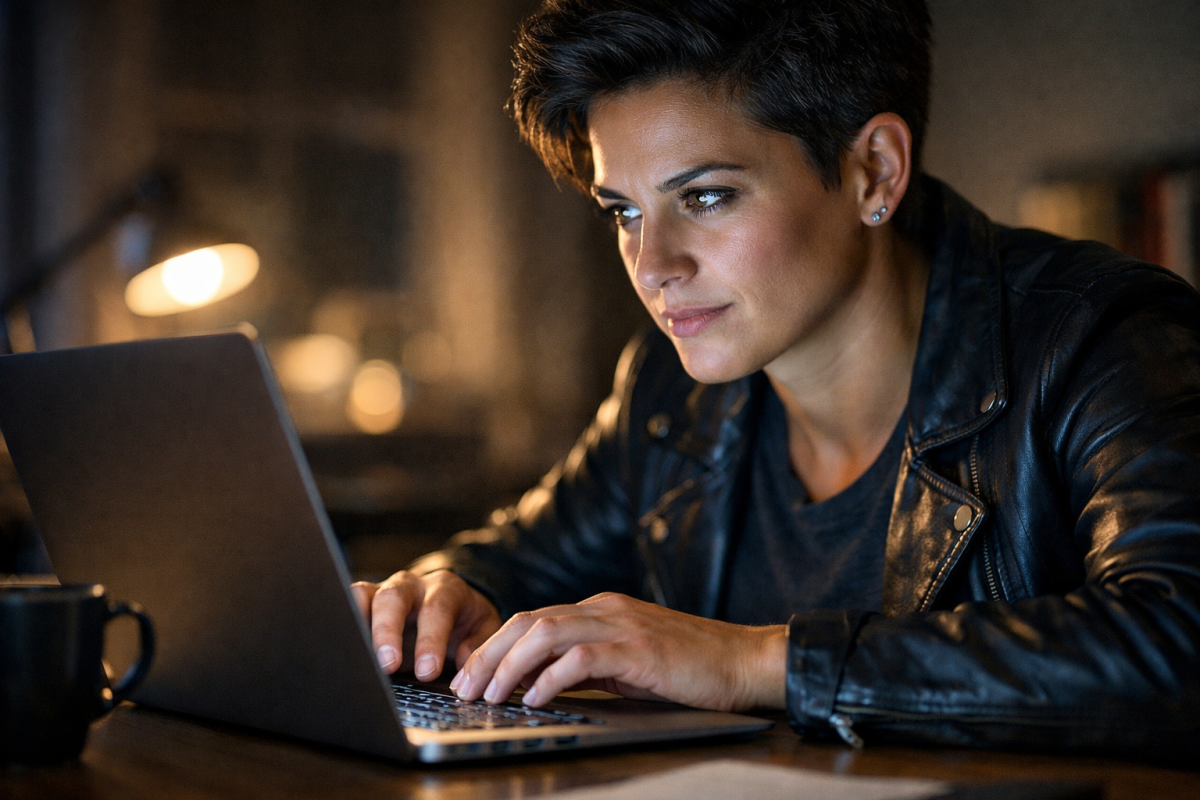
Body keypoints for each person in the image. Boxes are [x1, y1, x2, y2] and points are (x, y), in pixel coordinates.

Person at [351, 0, 1200, 762]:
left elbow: (1176, 639)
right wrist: (438, 602)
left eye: (709, 197)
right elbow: (516, 561)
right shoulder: (668, 391)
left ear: (875, 171)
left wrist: (750, 659)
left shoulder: (1101, 337)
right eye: (625, 211)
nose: (653, 266)